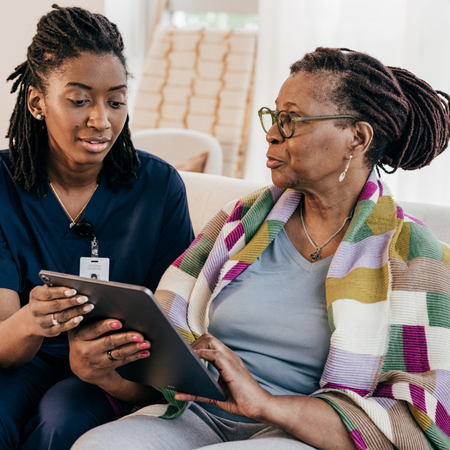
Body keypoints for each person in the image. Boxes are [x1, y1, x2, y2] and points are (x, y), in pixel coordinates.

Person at [72, 47, 450, 450]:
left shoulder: (412, 253)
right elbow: (171, 371)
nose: (271, 133)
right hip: (197, 415)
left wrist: (266, 404)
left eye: (291, 120)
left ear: (356, 138)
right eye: (274, 117)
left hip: (302, 433)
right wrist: (104, 372)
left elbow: (418, 420)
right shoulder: (240, 222)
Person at [0, 5, 194, 450]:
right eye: (79, 99)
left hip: (111, 368)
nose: (101, 120)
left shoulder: (159, 188)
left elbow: (174, 329)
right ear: (36, 102)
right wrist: (34, 320)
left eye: (116, 100)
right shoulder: (2, 184)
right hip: (21, 358)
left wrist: (108, 366)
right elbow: (5, 339)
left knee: (61, 420)